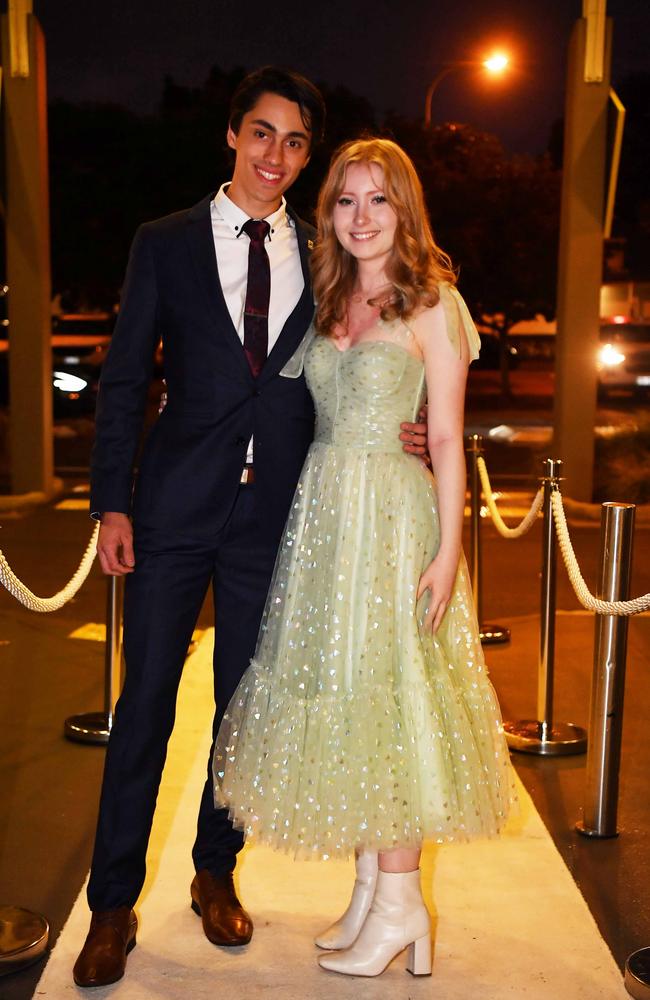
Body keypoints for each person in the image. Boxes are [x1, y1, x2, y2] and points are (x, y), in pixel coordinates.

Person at [73, 71, 428, 989]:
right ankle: (111, 904)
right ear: (232, 136)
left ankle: (213, 871)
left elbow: (380, 340)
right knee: (144, 703)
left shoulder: (326, 253)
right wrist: (112, 500)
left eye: (296, 143)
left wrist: (416, 420)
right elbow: (123, 380)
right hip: (169, 512)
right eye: (261, 135)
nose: (277, 156)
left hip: (275, 521)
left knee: (241, 710)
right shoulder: (165, 244)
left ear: (310, 156)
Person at [213, 137, 518, 978]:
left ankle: (401, 903)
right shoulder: (327, 297)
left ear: (404, 210)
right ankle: (369, 892)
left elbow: (449, 436)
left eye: (378, 201)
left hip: (390, 520)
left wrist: (452, 551)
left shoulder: (433, 303)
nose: (359, 217)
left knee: (392, 701)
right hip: (324, 517)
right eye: (345, 200)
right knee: (345, 691)